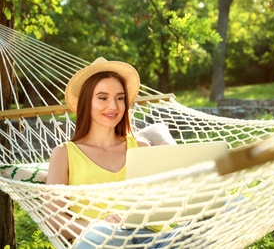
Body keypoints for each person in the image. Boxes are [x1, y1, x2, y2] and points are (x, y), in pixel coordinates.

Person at [45, 57, 179, 248]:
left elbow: (163, 204)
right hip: (99, 240)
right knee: (103, 235)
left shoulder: (140, 148)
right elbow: (53, 220)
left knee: (232, 205)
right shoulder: (64, 154)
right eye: (102, 98)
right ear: (86, 102)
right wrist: (98, 225)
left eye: (119, 98)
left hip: (152, 239)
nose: (113, 106)